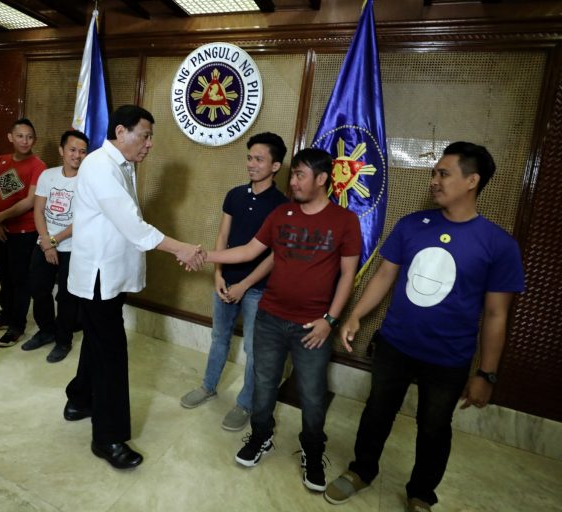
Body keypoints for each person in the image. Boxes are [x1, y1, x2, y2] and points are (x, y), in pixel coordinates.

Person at [324, 142, 524, 512]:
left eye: (443, 173)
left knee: (434, 427)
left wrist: (487, 374)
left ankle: (421, 494)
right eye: (434, 172)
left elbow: (497, 314)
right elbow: (385, 275)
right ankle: (361, 471)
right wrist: (356, 315)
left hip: (448, 359)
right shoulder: (413, 224)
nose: (434, 180)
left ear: (472, 181)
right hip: (395, 346)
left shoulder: (499, 244)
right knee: (377, 412)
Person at [206, 148, 361, 491]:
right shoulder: (282, 213)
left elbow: (348, 275)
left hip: (313, 327)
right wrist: (204, 255)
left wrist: (330, 321)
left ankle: (312, 449)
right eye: (292, 175)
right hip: (270, 319)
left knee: (312, 394)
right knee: (263, 384)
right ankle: (261, 436)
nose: (293, 181)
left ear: (322, 179)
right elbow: (248, 251)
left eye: (300, 175)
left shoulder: (344, 221)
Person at [63, 105, 204, 470]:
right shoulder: (99, 165)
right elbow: (134, 227)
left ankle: (79, 397)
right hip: (99, 277)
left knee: (98, 339)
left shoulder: (123, 166)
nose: (150, 144)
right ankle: (107, 438)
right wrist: (183, 249)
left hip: (111, 274)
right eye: (145, 135)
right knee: (111, 354)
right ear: (121, 131)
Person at [180, 132, 289, 431]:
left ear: (276, 165)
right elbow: (223, 238)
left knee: (254, 350)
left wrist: (245, 285)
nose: (252, 164)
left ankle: (245, 403)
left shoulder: (282, 206)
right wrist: (218, 274)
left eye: (259, 159)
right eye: (249, 158)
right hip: (225, 282)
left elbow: (274, 256)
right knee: (219, 337)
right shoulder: (235, 195)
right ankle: (208, 386)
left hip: (257, 289)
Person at [21, 129, 89, 363]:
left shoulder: (88, 180)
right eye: (72, 149)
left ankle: (63, 340)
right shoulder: (48, 176)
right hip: (44, 243)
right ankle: (46, 330)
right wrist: (47, 244)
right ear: (62, 151)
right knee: (38, 289)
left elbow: (82, 220)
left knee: (67, 297)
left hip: (73, 247)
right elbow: (38, 210)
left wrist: (54, 241)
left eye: (82, 151)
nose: (77, 155)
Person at [0, 118, 46, 347]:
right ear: (11, 137)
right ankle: (5, 315)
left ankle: (17, 326)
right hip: (0, 230)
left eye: (29, 137)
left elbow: (30, 202)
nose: (25, 141)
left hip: (25, 232)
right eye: (20, 136)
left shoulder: (39, 166)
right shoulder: (1, 161)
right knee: (3, 277)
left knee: (20, 281)